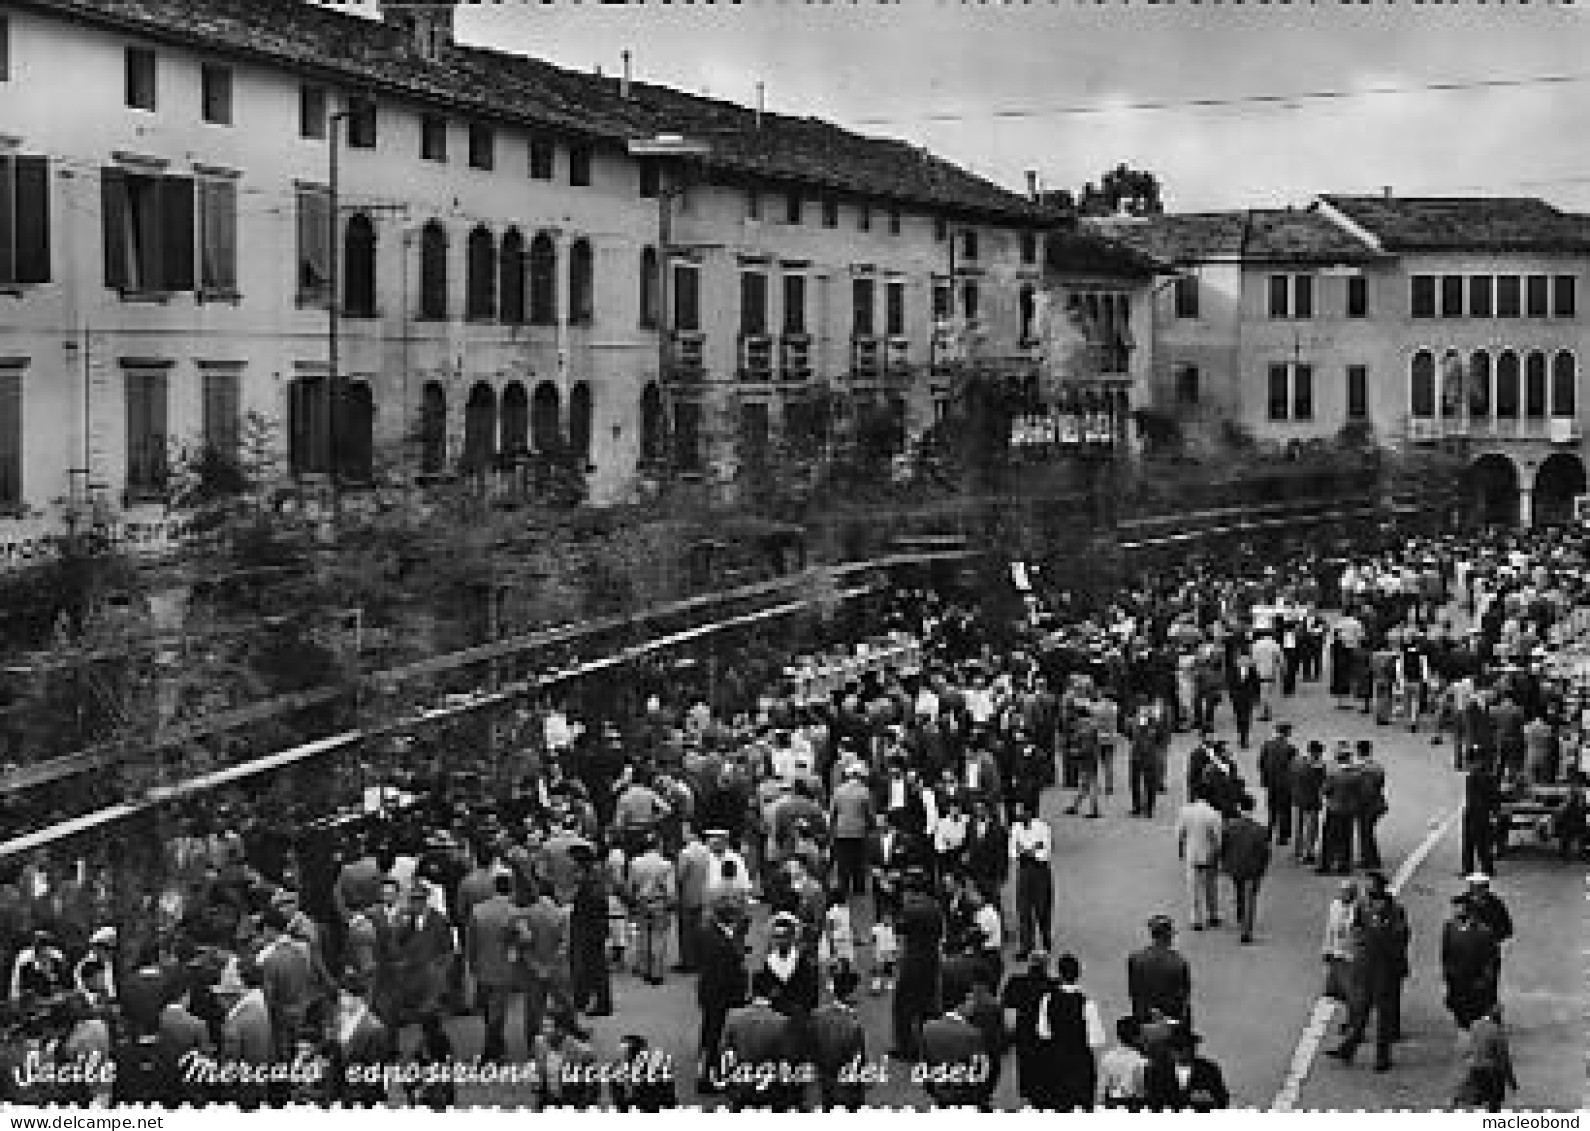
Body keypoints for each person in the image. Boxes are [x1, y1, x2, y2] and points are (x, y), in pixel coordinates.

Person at [1327, 870, 1409, 1072]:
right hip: (1365, 965)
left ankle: (1382, 1057)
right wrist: (1358, 945)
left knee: (1383, 1014)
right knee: (1360, 1010)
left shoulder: (1395, 909)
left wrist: (1383, 935)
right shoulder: (1362, 906)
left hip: (1386, 966)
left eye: (1372, 884)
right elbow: (1355, 928)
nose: (1368, 888)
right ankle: (1349, 1047)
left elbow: (1402, 936)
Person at [717, 970, 804, 1111]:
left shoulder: (733, 1016)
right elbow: (788, 1057)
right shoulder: (782, 1022)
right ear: (773, 992)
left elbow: (723, 1049)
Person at [1037, 952, 1107, 1111]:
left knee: (1060, 1103)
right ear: (1079, 974)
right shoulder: (1086, 1003)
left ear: (1059, 974)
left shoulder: (1048, 999)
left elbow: (1043, 1032)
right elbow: (1096, 1039)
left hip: (1056, 1058)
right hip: (1080, 1059)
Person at [466, 872, 523, 1063]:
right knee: (498, 1011)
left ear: (493, 889)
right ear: (511, 889)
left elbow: (471, 942)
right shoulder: (514, 912)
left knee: (486, 1008)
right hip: (504, 967)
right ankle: (492, 1049)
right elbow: (524, 938)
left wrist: (472, 963)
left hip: (482, 966)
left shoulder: (477, 910)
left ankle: (496, 1045)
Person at [695, 899, 749, 1095]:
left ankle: (707, 1071)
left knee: (710, 1034)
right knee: (714, 1037)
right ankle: (706, 1079)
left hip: (711, 992)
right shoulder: (719, 942)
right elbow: (725, 972)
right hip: (720, 995)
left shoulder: (710, 934)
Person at [918, 975, 991, 1109]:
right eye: (970, 999)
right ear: (961, 1003)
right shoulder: (973, 1034)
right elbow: (981, 1074)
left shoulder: (927, 1028)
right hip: (967, 1097)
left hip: (940, 1092)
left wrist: (935, 1092)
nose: (974, 1004)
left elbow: (924, 1066)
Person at [809, 965, 867, 1109]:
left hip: (825, 1080)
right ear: (850, 994)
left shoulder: (818, 1015)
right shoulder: (852, 1025)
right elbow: (858, 1061)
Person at [1441, 893, 1500, 1030]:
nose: (1455, 911)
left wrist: (1485, 980)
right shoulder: (1449, 928)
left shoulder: (1483, 932)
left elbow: (1491, 959)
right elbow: (1446, 953)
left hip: (1475, 982)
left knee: (1475, 1018)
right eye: (1454, 907)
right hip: (1457, 982)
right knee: (1460, 1016)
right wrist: (1448, 974)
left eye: (1459, 907)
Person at [1220, 795, 1271, 943]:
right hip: (1252, 868)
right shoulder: (1260, 830)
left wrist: (1224, 863)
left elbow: (1224, 847)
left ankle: (1240, 915)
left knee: (1239, 891)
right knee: (1250, 898)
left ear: (1239, 808)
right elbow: (1265, 852)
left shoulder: (1229, 827)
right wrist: (1262, 868)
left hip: (1235, 866)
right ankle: (1246, 930)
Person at [1142, 1028, 1229, 1111]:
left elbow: (1223, 1100)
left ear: (1194, 1048)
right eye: (1177, 1047)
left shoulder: (1209, 1070)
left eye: (1185, 1046)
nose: (1180, 1051)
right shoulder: (1157, 1071)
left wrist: (1210, 1099)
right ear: (1170, 1049)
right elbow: (1150, 1102)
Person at [1127, 915, 1191, 1026]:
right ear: (1169, 936)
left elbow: (1133, 992)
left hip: (1144, 1018)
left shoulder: (1135, 958)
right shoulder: (1179, 962)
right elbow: (1184, 996)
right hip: (1170, 1019)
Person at [1008, 800, 1054, 957]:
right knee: (1023, 909)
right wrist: (1032, 849)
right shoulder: (1015, 828)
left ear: (1029, 813)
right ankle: (1026, 945)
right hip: (1024, 870)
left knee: (1042, 907)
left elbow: (1045, 853)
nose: (1018, 815)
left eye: (1021, 812)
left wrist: (1026, 850)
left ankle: (1046, 940)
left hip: (1040, 871)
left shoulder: (1043, 827)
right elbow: (1013, 852)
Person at [1174, 788, 1223, 931]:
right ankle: (1213, 915)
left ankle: (1196, 919)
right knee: (1211, 886)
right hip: (1208, 854)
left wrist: (1181, 850)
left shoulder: (1185, 811)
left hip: (1192, 854)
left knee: (1193, 887)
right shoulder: (1214, 814)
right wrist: (1217, 854)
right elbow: (1217, 838)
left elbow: (1180, 834)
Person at [1455, 1004, 1519, 1112]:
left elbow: (1467, 1049)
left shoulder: (1475, 1026)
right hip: (1491, 1072)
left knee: (1468, 1099)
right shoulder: (1498, 1032)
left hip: (1474, 1068)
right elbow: (1504, 1059)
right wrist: (1512, 1081)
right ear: (1498, 1017)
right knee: (1494, 1101)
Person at [1318, 744, 1358, 876]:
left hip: (1334, 809)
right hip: (1349, 810)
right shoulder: (1355, 775)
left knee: (1329, 838)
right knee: (1346, 838)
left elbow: (1325, 790)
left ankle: (1326, 864)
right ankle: (1344, 865)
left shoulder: (1333, 775)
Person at [1098, 1015, 1149, 1111]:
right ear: (1137, 1036)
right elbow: (1141, 1091)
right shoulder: (1141, 1061)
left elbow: (1102, 1091)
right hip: (1133, 1106)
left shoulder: (1107, 1058)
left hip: (1112, 1106)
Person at [1321, 880, 1359, 1007]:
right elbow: (1330, 929)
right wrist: (1326, 949)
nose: (1344, 895)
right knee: (1335, 988)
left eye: (1347, 892)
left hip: (1350, 954)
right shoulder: (1335, 906)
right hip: (1336, 951)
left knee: (1351, 988)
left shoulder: (1358, 909)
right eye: (1342, 892)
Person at [1258, 722, 1297, 846]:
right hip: (1285, 785)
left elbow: (1261, 764)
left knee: (1272, 809)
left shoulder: (1267, 745)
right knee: (1285, 810)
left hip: (1271, 784)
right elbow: (1293, 767)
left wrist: (1265, 780)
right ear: (1287, 733)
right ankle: (1283, 836)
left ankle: (1269, 833)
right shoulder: (1290, 748)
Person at [1462, 761, 1502, 878]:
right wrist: (1495, 812)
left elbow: (1470, 797)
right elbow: (1495, 797)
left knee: (1471, 841)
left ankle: (1470, 869)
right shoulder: (1489, 779)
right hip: (1482, 812)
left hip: (1473, 811)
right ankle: (1485, 868)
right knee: (1482, 842)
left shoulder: (1471, 778)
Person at [1290, 741, 1327, 864]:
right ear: (1316, 753)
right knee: (1311, 828)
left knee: (1298, 827)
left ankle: (1297, 850)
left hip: (1297, 799)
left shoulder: (1296, 762)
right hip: (1312, 801)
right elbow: (1321, 784)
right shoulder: (1318, 767)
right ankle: (1308, 852)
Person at [1355, 740, 1388, 871]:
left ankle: (1371, 860)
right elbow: (1380, 784)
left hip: (1367, 805)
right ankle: (1367, 858)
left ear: (1359, 752)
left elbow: (1365, 790)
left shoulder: (1361, 769)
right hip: (1377, 803)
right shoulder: (1377, 766)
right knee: (1366, 832)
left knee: (1365, 832)